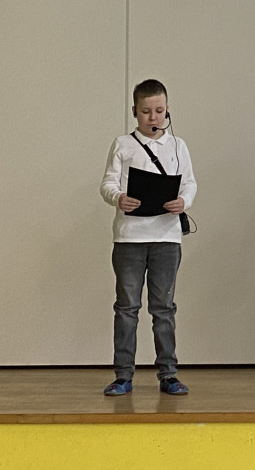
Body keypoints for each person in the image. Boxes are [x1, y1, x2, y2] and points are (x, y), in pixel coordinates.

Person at [99, 79, 197, 396]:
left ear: (167, 110)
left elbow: (190, 183)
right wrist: (118, 197)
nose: (153, 117)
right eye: (146, 111)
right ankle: (123, 375)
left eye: (159, 110)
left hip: (166, 237)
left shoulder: (178, 145)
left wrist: (183, 201)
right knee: (127, 308)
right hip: (129, 237)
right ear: (134, 112)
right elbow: (107, 183)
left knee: (163, 308)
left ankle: (168, 374)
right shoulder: (122, 144)